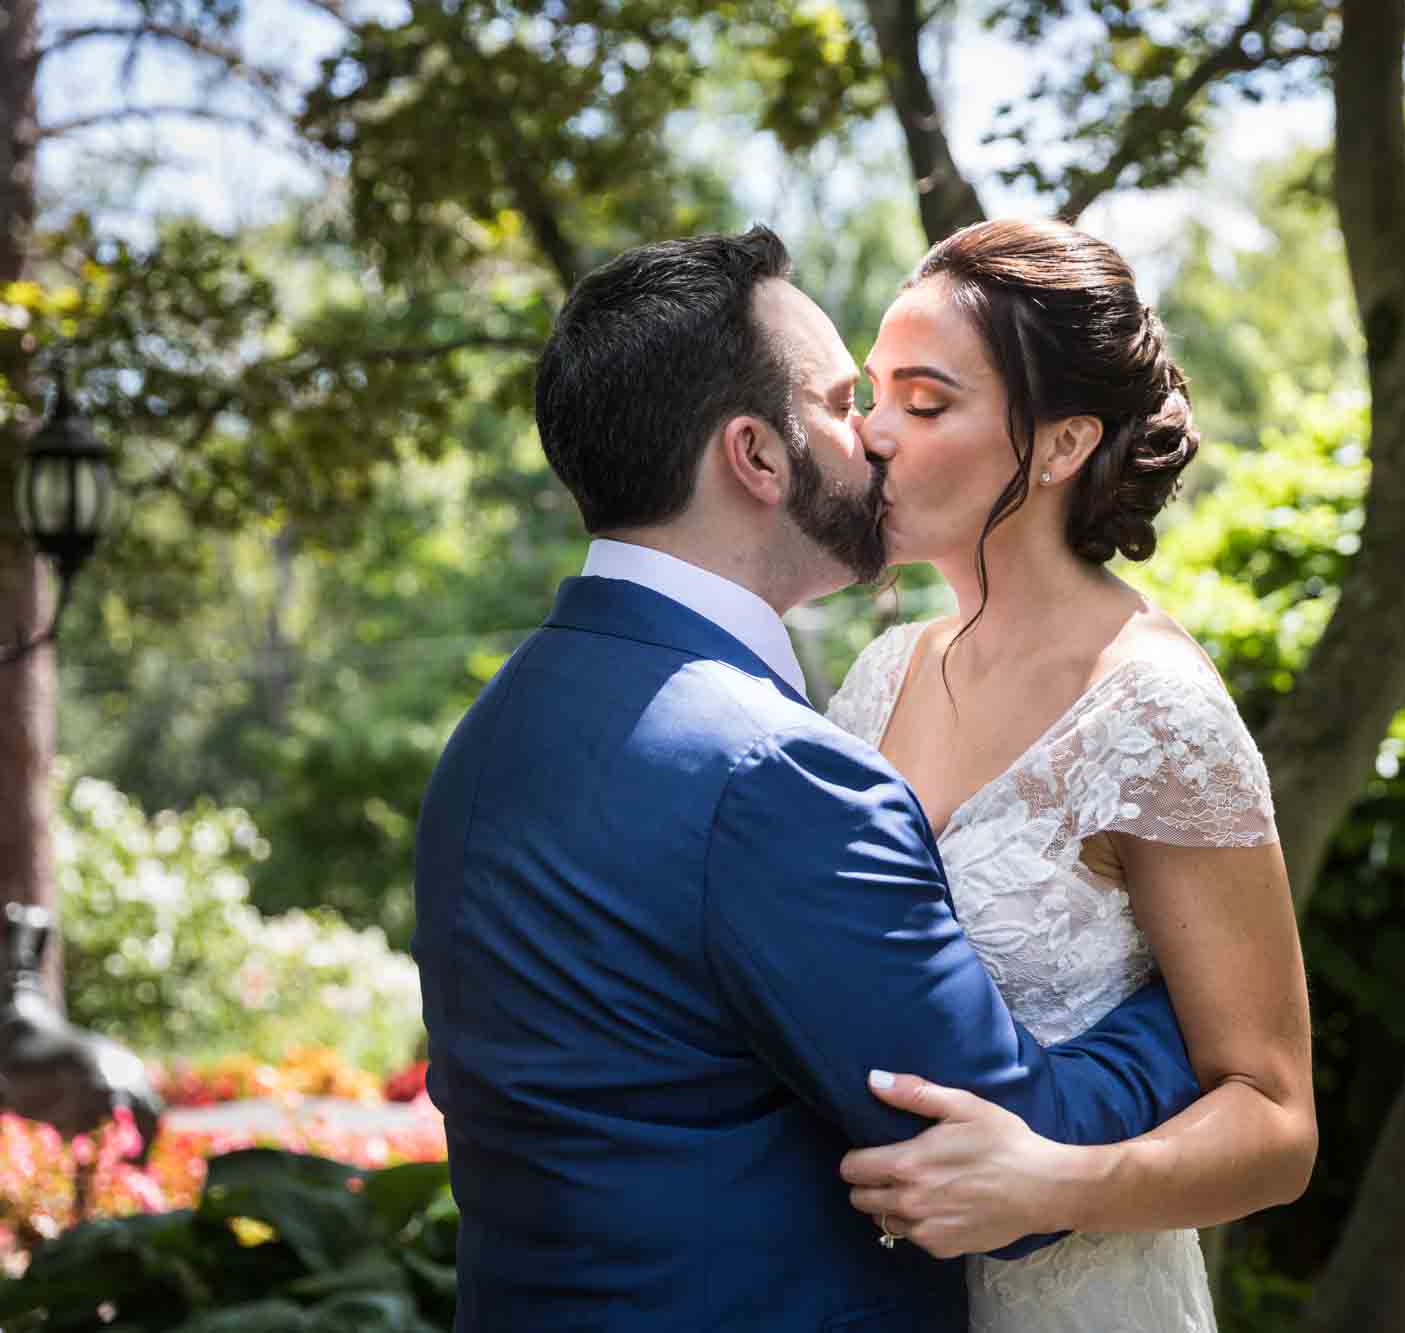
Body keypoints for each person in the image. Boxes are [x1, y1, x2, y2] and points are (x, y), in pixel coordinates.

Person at [409, 227, 1205, 1332]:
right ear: (757, 458)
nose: (876, 438)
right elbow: (994, 1147)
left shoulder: (491, 732)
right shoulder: (774, 771)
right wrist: (1178, 1003)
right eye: (843, 403)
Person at [825, 218, 1316, 1333]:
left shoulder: (1153, 710)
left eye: (926, 401)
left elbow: (1275, 1120)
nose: (873, 436)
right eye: (870, 394)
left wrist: (1047, 1184)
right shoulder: (879, 673)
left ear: (1058, 445)